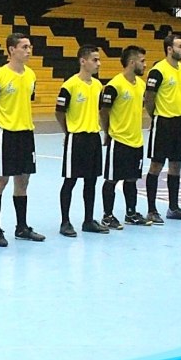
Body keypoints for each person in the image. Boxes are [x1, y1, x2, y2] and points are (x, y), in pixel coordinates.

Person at [0, 33, 45, 246]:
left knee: (23, 180)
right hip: (7, 134)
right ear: (11, 50)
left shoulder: (31, 75)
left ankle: (22, 227)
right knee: (0, 180)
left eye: (30, 47)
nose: (29, 51)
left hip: (26, 134)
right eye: (24, 47)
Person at [55, 44, 108, 236]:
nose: (98, 63)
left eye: (99, 59)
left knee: (91, 181)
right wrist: (68, 132)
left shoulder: (97, 86)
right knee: (70, 181)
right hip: (76, 138)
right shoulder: (69, 85)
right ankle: (65, 222)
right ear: (82, 61)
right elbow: (59, 113)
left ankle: (88, 220)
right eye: (95, 60)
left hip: (93, 138)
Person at [144, 34, 181, 223]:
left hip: (178, 122)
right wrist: (155, 117)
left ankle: (173, 208)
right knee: (157, 164)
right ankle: (151, 210)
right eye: (180, 46)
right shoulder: (158, 70)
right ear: (169, 49)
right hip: (163, 122)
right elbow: (149, 97)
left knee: (176, 164)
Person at [99, 45, 152, 230]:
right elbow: (104, 111)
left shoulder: (141, 85)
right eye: (142, 61)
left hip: (136, 140)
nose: (145, 65)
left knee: (132, 179)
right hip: (119, 140)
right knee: (112, 179)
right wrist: (107, 133)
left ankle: (131, 213)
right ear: (132, 62)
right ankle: (107, 216)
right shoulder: (114, 85)